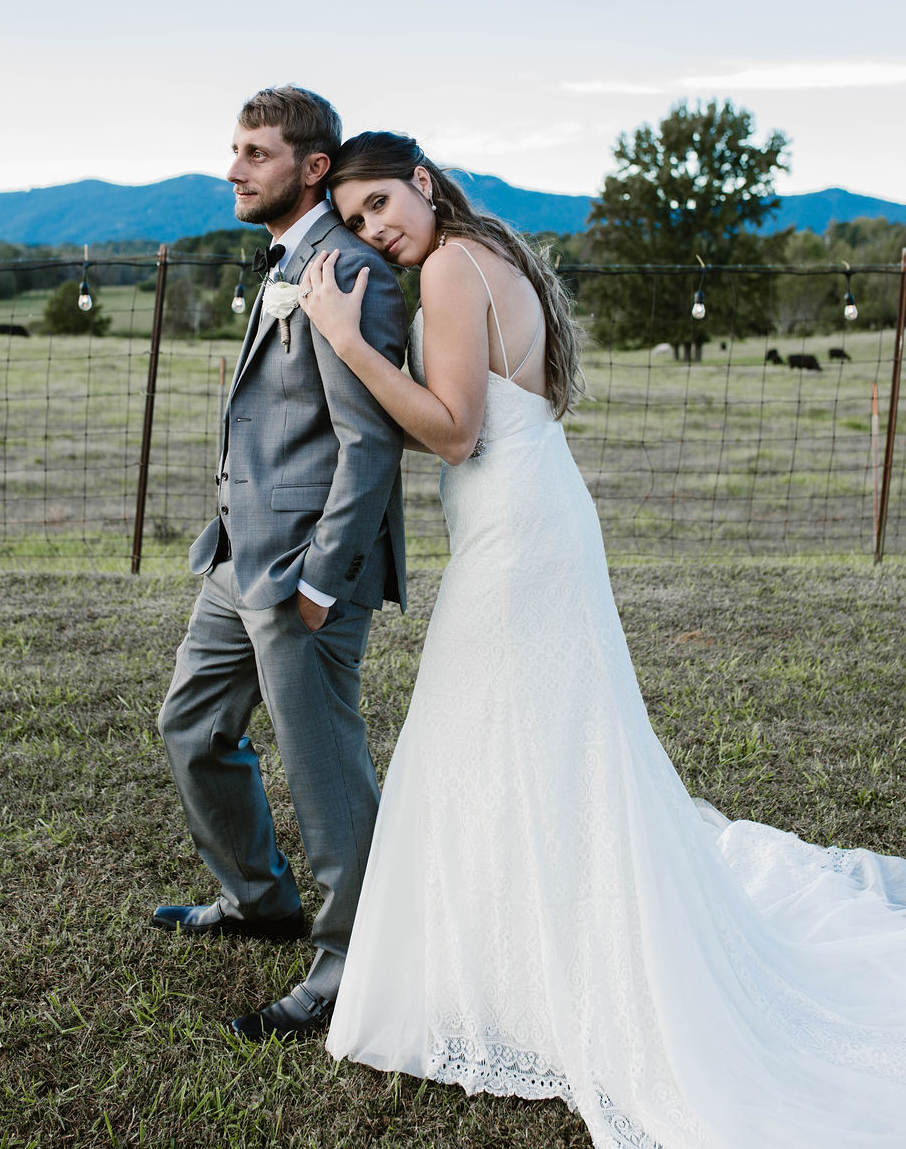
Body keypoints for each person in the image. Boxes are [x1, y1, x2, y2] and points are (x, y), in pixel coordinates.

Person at [296, 130, 906, 1149]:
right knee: (532, 744)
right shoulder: (487, 251)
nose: (373, 231)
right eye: (354, 221)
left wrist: (345, 338)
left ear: (422, 183)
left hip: (515, 535)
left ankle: (515, 976)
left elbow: (451, 429)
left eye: (378, 207)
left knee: (484, 737)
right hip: (529, 514)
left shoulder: (449, 265)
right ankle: (515, 963)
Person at [154, 90, 408, 1043]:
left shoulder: (348, 273)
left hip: (305, 571)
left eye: (254, 152)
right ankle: (259, 898)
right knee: (190, 727)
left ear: (310, 168)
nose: (233, 168)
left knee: (325, 770)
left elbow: (368, 445)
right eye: (232, 148)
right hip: (235, 553)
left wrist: (319, 580)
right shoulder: (282, 262)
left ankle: (354, 960)